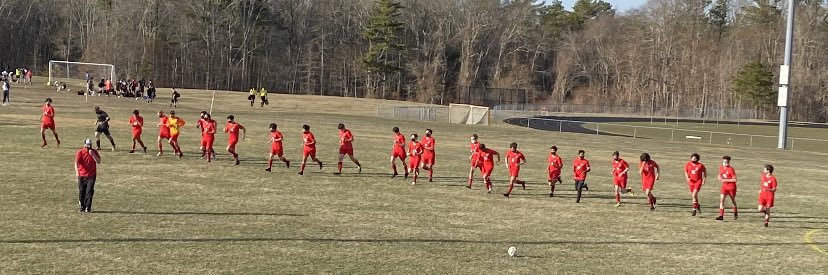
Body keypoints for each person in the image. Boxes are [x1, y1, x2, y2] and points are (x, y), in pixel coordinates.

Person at [75, 139, 101, 213]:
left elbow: (99, 161)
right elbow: (76, 163)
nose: (89, 146)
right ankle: (82, 205)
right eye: (87, 145)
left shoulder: (94, 152)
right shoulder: (80, 152)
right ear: (84, 145)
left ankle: (88, 207)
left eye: (90, 145)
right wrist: (77, 172)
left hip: (91, 175)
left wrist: (93, 155)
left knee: (89, 191)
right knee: (82, 191)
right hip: (82, 175)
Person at [716, 156, 738, 221]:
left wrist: (726, 180)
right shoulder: (721, 167)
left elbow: (735, 179)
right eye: (723, 161)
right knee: (721, 200)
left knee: (733, 201)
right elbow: (719, 175)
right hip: (724, 187)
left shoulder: (731, 169)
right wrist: (719, 177)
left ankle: (735, 212)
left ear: (728, 162)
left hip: (731, 187)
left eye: (726, 162)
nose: (724, 163)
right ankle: (721, 215)